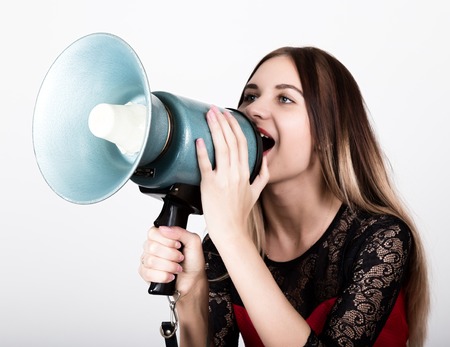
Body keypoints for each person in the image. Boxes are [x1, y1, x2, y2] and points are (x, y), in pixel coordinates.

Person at [138, 47, 430, 346]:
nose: (254, 111)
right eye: (250, 96)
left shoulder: (382, 238)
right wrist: (190, 294)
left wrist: (232, 236)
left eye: (285, 98)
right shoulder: (224, 244)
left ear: (328, 133)